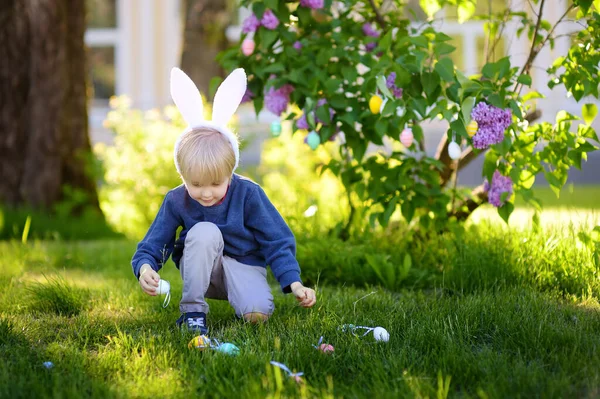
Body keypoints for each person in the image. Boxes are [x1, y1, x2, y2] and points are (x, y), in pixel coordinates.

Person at [131, 67, 316, 335]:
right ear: (183, 175)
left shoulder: (248, 193)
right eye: (195, 185)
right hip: (201, 270)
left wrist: (294, 283)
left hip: (244, 266)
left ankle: (247, 298)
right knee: (205, 232)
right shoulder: (176, 199)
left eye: (216, 184)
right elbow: (154, 241)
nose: (206, 193)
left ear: (231, 172)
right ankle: (193, 313)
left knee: (256, 314)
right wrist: (145, 267)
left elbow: (276, 239)